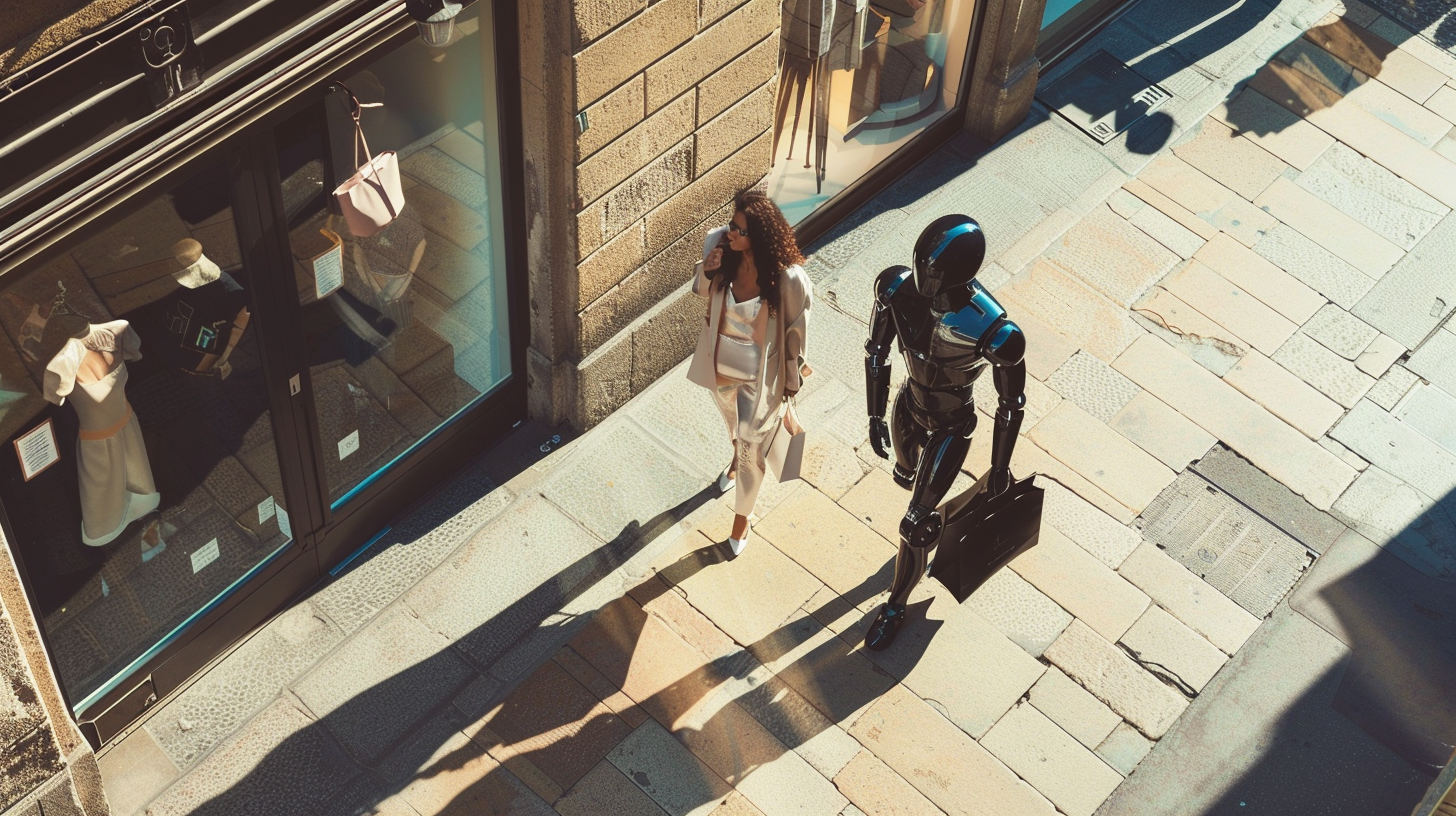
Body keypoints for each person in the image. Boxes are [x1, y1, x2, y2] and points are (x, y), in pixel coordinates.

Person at [862, 214, 1027, 650]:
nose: (924, 279)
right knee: (905, 478)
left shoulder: (994, 330)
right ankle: (950, 506)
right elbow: (877, 353)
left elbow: (1011, 402)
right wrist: (876, 416)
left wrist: (1000, 466)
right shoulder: (895, 289)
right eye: (921, 266)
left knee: (914, 522)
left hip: (952, 425)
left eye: (934, 272)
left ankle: (895, 605)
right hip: (909, 407)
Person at [686, 190, 813, 555]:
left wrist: (792, 383)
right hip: (720, 371)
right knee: (736, 433)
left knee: (751, 450)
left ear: (759, 235)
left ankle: (741, 522)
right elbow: (700, 291)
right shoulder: (719, 248)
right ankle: (736, 455)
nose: (730, 233)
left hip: (761, 382)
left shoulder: (789, 279)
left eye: (739, 229)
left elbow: (796, 335)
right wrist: (708, 271)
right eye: (731, 225)